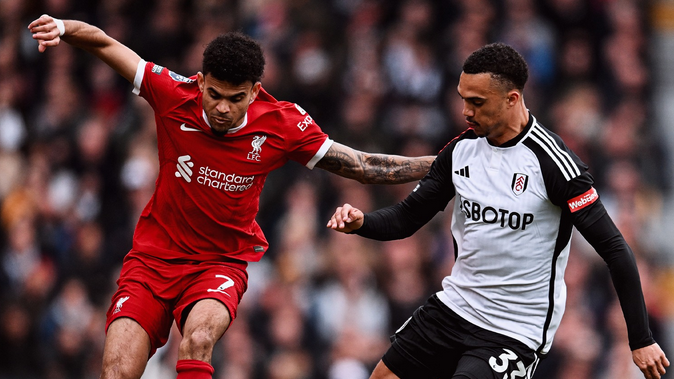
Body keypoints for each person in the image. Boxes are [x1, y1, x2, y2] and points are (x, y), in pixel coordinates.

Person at [28, 14, 435, 379]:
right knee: (117, 370)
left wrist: (445, 162)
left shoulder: (283, 124)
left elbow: (362, 166)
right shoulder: (172, 94)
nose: (222, 108)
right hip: (153, 260)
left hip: (219, 263)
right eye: (215, 94)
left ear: (255, 91)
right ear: (201, 81)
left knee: (199, 339)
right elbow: (104, 43)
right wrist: (63, 28)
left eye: (236, 98)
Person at [327, 42, 670, 379]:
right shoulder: (460, 152)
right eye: (463, 99)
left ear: (512, 99)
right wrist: (362, 223)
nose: (466, 112)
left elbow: (614, 247)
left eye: (477, 102)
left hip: (515, 329)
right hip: (457, 306)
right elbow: (405, 219)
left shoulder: (554, 165)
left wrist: (641, 339)